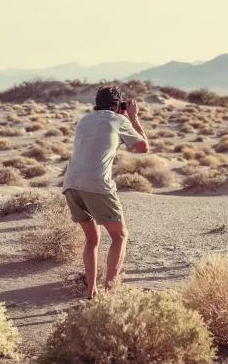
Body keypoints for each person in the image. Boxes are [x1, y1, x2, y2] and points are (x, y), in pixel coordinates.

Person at [62, 85, 149, 299]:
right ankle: (110, 290)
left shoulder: (84, 120)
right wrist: (133, 117)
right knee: (120, 236)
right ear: (118, 104)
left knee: (92, 240)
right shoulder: (120, 120)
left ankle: (91, 290)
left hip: (71, 183)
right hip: (97, 184)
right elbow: (143, 147)